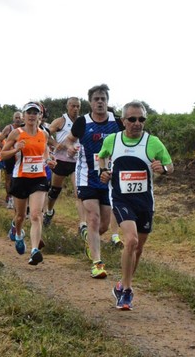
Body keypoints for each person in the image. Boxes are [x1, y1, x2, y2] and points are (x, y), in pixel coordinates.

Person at [98, 100, 174, 310]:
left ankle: (121, 284)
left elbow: (170, 165)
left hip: (144, 202)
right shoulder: (113, 141)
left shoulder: (153, 142)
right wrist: (103, 172)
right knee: (130, 241)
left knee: (138, 249)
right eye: (132, 119)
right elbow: (102, 157)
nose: (137, 123)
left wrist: (163, 169)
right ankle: (128, 291)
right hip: (121, 199)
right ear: (123, 121)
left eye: (141, 119)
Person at [63, 84, 123, 278]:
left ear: (107, 101)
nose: (100, 102)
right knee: (93, 218)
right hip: (86, 177)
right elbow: (69, 140)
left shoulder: (117, 121)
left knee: (103, 225)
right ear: (90, 102)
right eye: (96, 99)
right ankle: (97, 263)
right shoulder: (82, 122)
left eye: (103, 99)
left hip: (109, 179)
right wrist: (70, 148)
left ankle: (90, 238)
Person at [0, 102, 56, 265]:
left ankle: (34, 250)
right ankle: (18, 234)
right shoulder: (16, 133)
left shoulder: (43, 134)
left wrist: (49, 161)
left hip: (39, 178)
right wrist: (16, 150)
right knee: (20, 216)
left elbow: (45, 151)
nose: (32, 115)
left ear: (40, 116)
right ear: (24, 116)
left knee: (36, 214)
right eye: (29, 112)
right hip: (21, 178)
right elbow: (3, 155)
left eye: (35, 113)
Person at [42, 97, 87, 230]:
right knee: (54, 192)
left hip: (77, 162)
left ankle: (82, 224)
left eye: (78, 106)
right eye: (73, 106)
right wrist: (56, 144)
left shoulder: (82, 122)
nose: (75, 109)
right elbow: (45, 135)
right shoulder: (61, 121)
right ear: (68, 107)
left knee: (79, 192)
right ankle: (49, 212)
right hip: (60, 161)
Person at [0, 111, 23, 209]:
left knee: (20, 177)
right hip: (10, 156)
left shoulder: (25, 128)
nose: (18, 119)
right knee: (9, 177)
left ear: (23, 118)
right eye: (16, 117)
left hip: (22, 156)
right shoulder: (9, 128)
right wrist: (8, 150)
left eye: (19, 117)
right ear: (13, 119)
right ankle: (10, 198)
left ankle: (19, 197)